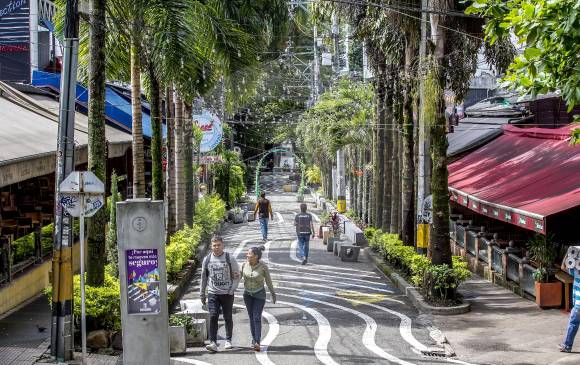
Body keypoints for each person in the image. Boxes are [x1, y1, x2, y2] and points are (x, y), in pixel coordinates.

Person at [200, 235, 241, 353]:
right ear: (211, 246)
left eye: (218, 245)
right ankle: (213, 342)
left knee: (228, 317)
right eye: (214, 245)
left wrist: (232, 289)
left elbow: (237, 275)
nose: (216, 247)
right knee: (213, 316)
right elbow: (203, 277)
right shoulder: (207, 259)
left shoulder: (229, 258)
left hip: (227, 293)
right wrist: (202, 293)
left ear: (223, 245)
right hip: (213, 293)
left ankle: (228, 340)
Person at [241, 246, 276, 352]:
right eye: (247, 254)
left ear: (256, 256)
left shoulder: (263, 267)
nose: (247, 255)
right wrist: (230, 290)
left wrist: (273, 294)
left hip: (259, 295)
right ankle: (254, 339)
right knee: (251, 317)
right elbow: (237, 278)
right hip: (247, 295)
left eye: (249, 254)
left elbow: (269, 281)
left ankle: (257, 341)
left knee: (256, 317)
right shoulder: (243, 265)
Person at [559, 255, 580, 352]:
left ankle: (567, 346)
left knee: (573, 323)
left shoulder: (577, 272)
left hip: (578, 306)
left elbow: (563, 266)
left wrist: (568, 255)